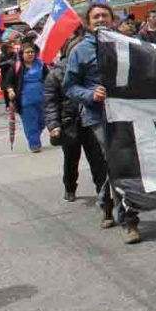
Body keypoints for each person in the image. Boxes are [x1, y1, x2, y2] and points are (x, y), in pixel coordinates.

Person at [64, 2, 142, 244]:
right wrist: (90, 95)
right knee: (118, 161)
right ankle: (129, 220)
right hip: (97, 116)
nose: (101, 20)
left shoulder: (126, 45)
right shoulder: (79, 51)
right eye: (95, 17)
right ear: (88, 23)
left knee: (121, 162)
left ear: (113, 20)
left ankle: (106, 202)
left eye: (105, 16)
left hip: (127, 112)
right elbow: (70, 86)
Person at [45, 36, 107, 203]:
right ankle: (70, 187)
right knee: (71, 159)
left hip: (91, 121)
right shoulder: (55, 74)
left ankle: (103, 193)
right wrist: (53, 125)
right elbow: (50, 102)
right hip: (69, 124)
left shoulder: (91, 72)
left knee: (97, 159)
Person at [8, 42, 49, 153]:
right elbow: (8, 82)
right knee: (30, 124)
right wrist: (10, 90)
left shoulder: (41, 64)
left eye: (32, 52)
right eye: (27, 52)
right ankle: (34, 144)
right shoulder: (16, 67)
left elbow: (49, 79)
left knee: (42, 121)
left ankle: (34, 135)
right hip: (25, 100)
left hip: (42, 99)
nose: (30, 54)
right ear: (22, 54)